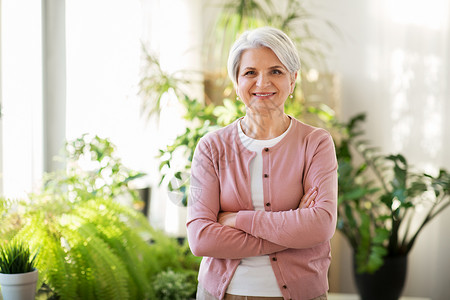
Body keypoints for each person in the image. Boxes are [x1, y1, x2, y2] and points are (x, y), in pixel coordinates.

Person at [186, 26, 338, 300]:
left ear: (293, 79)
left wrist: (237, 220)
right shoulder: (211, 147)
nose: (262, 83)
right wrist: (290, 233)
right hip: (222, 294)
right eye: (250, 73)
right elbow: (201, 238)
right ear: (236, 82)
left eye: (275, 71)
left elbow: (320, 226)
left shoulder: (316, 143)